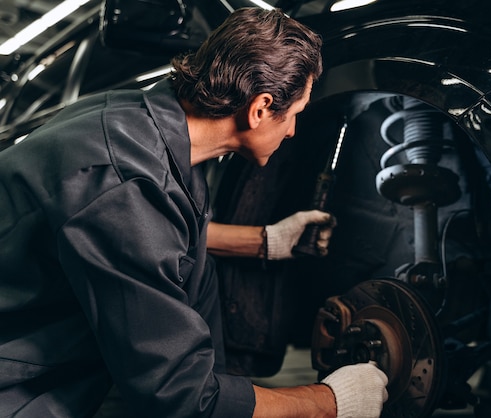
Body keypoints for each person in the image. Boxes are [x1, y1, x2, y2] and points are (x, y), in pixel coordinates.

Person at [0, 7, 388, 418]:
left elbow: (151, 242)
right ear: (260, 108)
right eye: (294, 115)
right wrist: (329, 402)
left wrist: (265, 241)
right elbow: (180, 397)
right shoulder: (123, 186)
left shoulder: (144, 126)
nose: (293, 131)